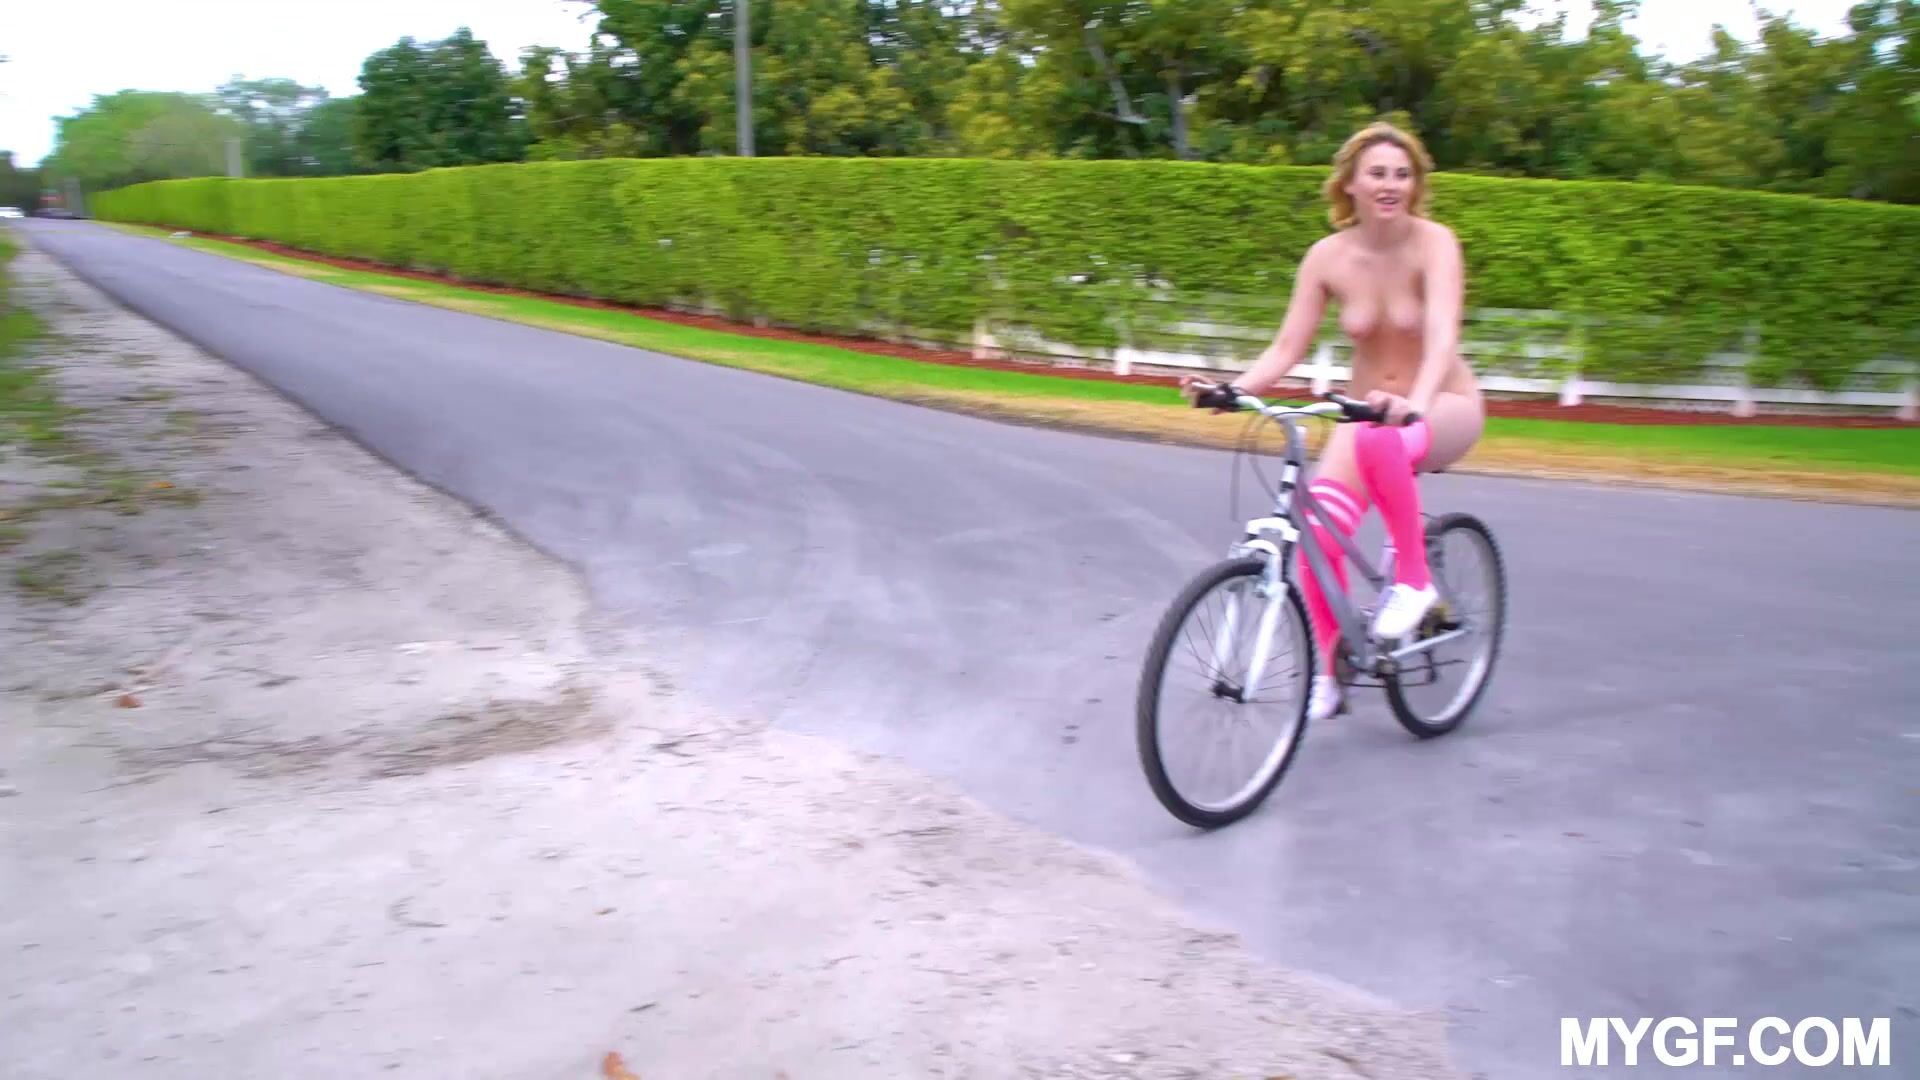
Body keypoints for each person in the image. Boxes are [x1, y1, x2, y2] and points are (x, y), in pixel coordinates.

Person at [1181, 121, 1486, 721]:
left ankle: (1415, 581)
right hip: (1367, 412)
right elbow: (1286, 347)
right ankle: (1331, 670)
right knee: (1318, 534)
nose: (1390, 184)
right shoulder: (1327, 257)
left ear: (1415, 185)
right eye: (1377, 173)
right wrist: (1232, 391)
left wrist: (1416, 404)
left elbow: (1442, 338)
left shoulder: (1435, 243)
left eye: (1402, 175)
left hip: (1443, 402)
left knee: (1380, 440)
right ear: (1350, 183)